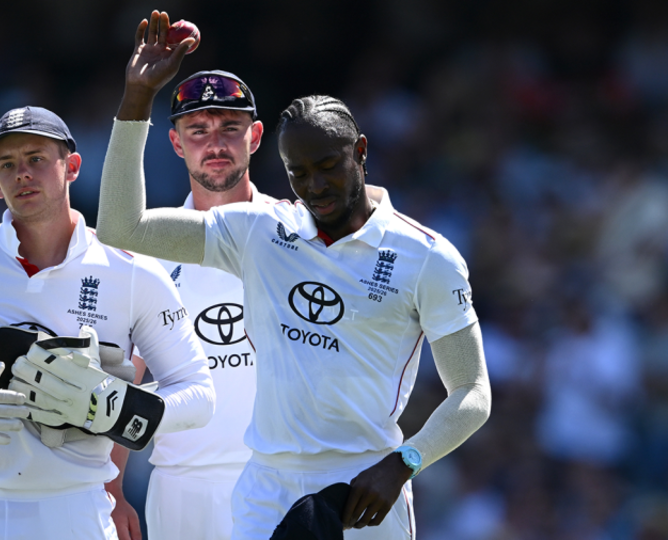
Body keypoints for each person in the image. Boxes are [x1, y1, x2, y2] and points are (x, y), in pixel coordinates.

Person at [96, 12, 492, 539]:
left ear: (361, 152)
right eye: (299, 173)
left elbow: (472, 392)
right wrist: (137, 98)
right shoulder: (262, 230)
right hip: (265, 488)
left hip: (367, 485)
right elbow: (123, 227)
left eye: (328, 165)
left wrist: (404, 462)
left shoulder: (427, 256)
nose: (315, 185)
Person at [0, 105, 215, 540]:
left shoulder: (134, 272)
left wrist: (113, 408)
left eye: (36, 159)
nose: (21, 174)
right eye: (7, 165)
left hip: (73, 510)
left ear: (72, 167)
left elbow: (199, 395)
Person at [125, 69, 271, 540]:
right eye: (198, 131)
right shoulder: (148, 247)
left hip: (281, 478)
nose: (216, 144)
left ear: (255, 135)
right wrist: (110, 489)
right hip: (181, 486)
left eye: (230, 127)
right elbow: (127, 375)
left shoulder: (296, 234)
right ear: (174, 142)